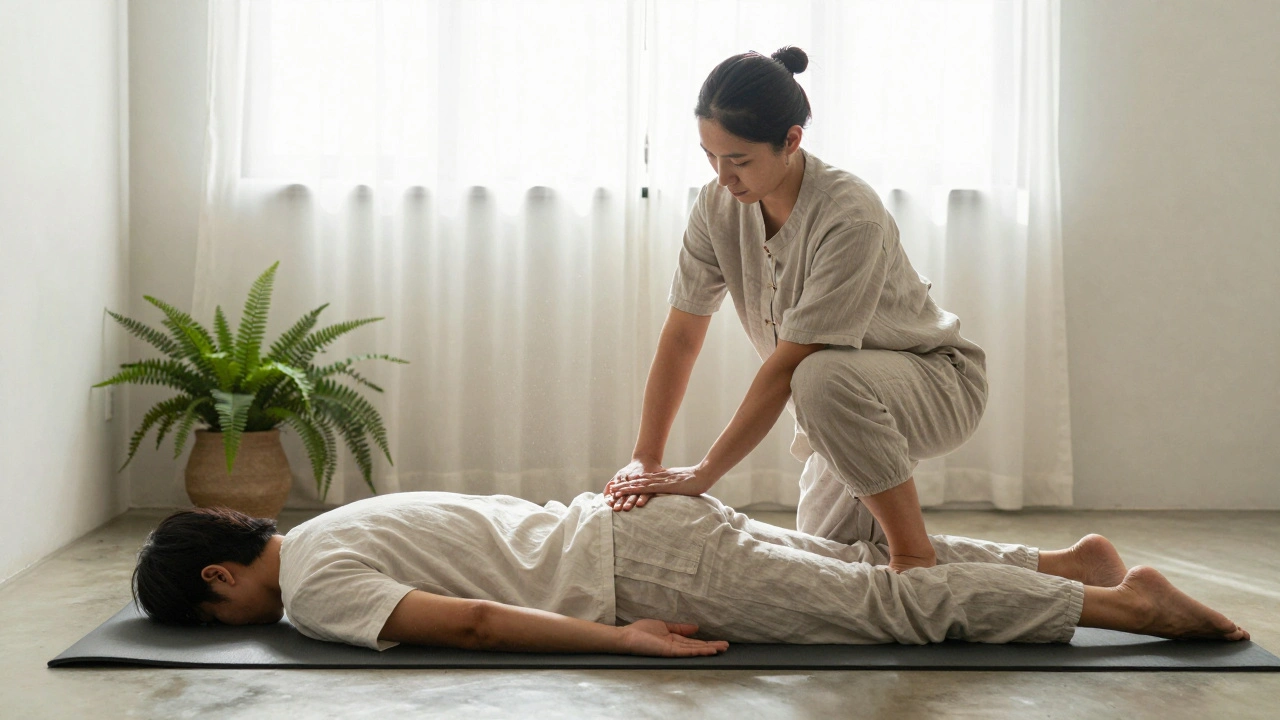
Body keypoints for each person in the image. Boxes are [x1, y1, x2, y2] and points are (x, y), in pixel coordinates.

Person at [604, 46, 986, 573]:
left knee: (817, 375)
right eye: (709, 156)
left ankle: (913, 553)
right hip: (838, 402)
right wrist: (645, 457)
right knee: (834, 565)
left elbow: (789, 366)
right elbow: (682, 336)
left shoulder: (849, 215)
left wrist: (704, 473)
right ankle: (1073, 567)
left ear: (791, 141)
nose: (722, 177)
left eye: (738, 160)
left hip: (932, 386)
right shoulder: (716, 206)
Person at [131, 491, 1248, 656]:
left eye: (211, 606)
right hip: (649, 518)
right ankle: (1062, 560)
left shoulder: (316, 591)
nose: (226, 620)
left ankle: (1114, 603)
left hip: (637, 562)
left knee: (878, 606)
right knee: (866, 559)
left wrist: (620, 640)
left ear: (224, 574)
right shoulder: (339, 518)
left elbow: (467, 621)